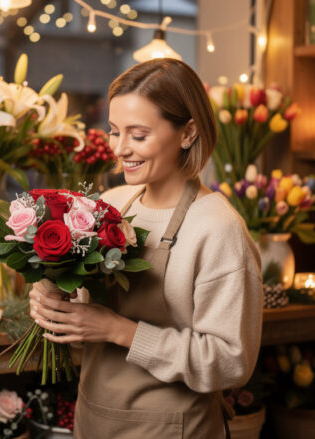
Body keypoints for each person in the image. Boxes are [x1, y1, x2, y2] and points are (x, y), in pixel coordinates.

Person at [29, 58, 263, 438]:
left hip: (171, 427)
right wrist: (50, 293)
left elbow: (230, 362)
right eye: (114, 131)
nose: (120, 149)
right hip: (95, 417)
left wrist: (119, 331)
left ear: (188, 133)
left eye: (138, 135)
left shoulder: (218, 229)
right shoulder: (113, 204)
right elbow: (85, 306)